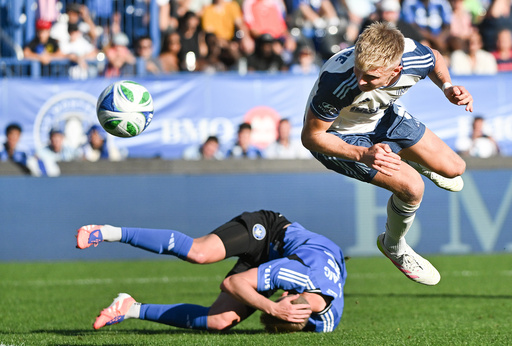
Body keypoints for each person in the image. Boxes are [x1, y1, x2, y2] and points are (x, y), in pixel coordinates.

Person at [301, 22, 473, 286]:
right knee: (412, 188)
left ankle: (410, 158)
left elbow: (436, 59)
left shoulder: (414, 55)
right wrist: (361, 154)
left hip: (382, 116)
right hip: (340, 136)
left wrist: (448, 86)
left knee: (454, 169)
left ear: (397, 69)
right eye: (359, 70)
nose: (361, 80)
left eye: (370, 77)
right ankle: (393, 245)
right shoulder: (337, 82)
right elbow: (311, 137)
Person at [76, 210, 347, 333]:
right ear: (291, 294)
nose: (279, 300)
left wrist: (280, 313)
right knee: (200, 253)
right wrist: (271, 309)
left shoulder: (327, 321)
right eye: (281, 301)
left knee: (219, 321)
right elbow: (231, 284)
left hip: (287, 260)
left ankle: (129, 307)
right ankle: (108, 232)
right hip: (269, 234)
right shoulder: (297, 276)